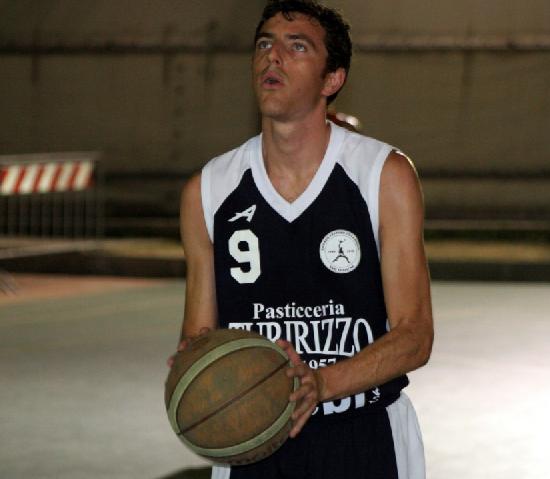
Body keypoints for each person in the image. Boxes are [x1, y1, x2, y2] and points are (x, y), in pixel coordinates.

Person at [174, 1, 434, 477]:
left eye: (297, 47)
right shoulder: (208, 190)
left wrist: (321, 383)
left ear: (332, 79)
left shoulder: (383, 176)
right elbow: (198, 335)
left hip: (364, 436)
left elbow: (414, 336)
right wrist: (195, 368)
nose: (272, 56)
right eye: (264, 44)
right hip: (255, 442)